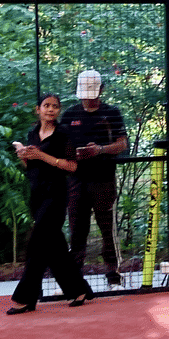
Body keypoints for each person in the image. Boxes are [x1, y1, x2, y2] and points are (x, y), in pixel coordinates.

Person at [8, 94, 94, 314]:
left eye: (55, 106)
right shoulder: (32, 133)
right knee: (55, 249)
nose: (51, 109)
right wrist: (23, 155)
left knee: (36, 245)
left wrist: (42, 155)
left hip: (55, 195)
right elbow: (31, 166)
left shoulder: (64, 134)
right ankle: (79, 290)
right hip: (36, 193)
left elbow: (72, 166)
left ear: (58, 110)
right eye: (46, 106)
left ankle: (25, 298)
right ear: (38, 109)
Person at [61, 69, 128, 289]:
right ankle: (74, 281)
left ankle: (113, 276)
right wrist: (73, 154)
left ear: (101, 90)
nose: (88, 99)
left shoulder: (112, 113)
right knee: (77, 232)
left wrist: (100, 150)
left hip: (103, 179)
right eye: (85, 94)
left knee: (107, 229)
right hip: (75, 181)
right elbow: (60, 145)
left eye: (92, 93)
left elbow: (122, 144)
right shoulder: (70, 114)